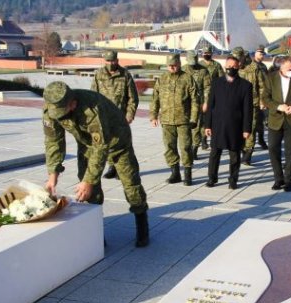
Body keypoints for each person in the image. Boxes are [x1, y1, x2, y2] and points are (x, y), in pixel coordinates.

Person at [42, 81, 150, 247]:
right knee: (89, 193)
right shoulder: (51, 111)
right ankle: (97, 232)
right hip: (87, 145)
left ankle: (142, 224)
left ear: (73, 103)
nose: (61, 116)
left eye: (64, 111)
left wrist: (89, 180)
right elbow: (53, 142)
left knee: (131, 184)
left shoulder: (91, 109)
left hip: (117, 142)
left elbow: (101, 147)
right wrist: (52, 174)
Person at [204, 56, 253, 189]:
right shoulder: (217, 83)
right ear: (225, 66)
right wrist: (207, 124)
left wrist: (247, 129)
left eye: (234, 66)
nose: (231, 68)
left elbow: (248, 109)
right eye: (229, 66)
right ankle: (212, 178)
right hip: (218, 124)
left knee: (234, 155)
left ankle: (233, 180)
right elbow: (210, 104)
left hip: (235, 126)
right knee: (215, 153)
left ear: (238, 67)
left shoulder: (245, 85)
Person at [150, 54, 199, 186]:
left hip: (184, 120)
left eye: (175, 65)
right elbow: (155, 99)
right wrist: (153, 116)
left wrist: (194, 118)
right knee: (169, 147)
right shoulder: (162, 79)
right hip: (166, 120)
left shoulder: (187, 78)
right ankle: (175, 173)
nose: (172, 67)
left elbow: (195, 100)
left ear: (179, 64)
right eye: (170, 65)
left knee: (186, 147)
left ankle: (187, 174)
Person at [262, 56, 291, 192]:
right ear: (281, 68)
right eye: (289, 69)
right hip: (275, 119)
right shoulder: (271, 77)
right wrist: (278, 106)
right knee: (272, 148)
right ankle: (278, 178)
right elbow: (265, 98)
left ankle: (288, 179)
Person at [91, 50, 139, 179]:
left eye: (113, 61)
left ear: (117, 60)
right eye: (108, 61)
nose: (110, 63)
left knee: (123, 144)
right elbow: (93, 96)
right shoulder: (98, 74)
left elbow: (132, 98)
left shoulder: (125, 75)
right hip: (104, 116)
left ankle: (122, 169)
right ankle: (112, 166)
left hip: (120, 116)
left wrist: (130, 115)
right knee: (107, 143)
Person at [232, 46, 265, 166]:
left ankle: (248, 154)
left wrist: (262, 101)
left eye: (238, 60)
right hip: (236, 104)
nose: (237, 62)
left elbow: (262, 86)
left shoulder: (254, 68)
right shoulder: (233, 68)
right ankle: (242, 149)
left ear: (243, 57)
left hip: (253, 103)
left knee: (251, 127)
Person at [182, 50, 211, 160]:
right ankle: (187, 148)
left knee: (196, 127)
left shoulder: (203, 71)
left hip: (198, 103)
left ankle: (194, 149)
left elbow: (208, 87)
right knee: (185, 127)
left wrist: (206, 102)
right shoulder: (183, 69)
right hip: (185, 103)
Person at [252, 45, 269, 150]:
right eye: (260, 53)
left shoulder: (263, 66)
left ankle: (261, 140)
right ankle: (250, 144)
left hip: (263, 96)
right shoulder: (251, 66)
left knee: (261, 120)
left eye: (263, 54)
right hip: (253, 97)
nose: (262, 55)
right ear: (255, 53)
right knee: (253, 121)